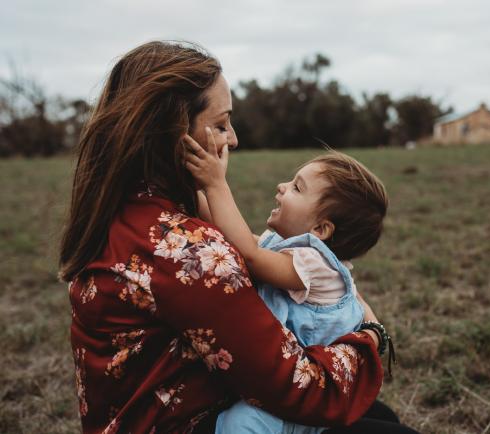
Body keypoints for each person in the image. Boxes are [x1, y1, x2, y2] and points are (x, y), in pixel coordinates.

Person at [59, 40, 416, 434]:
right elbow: (301, 390)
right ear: (175, 132)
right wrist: (369, 335)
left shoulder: (129, 212)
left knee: (380, 417)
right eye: (220, 123)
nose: (233, 139)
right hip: (193, 424)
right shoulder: (185, 253)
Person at [183, 131, 393, 433]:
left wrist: (216, 184)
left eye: (297, 188)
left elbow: (250, 254)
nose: (281, 187)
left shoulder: (315, 265)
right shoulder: (286, 247)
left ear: (321, 228)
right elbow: (230, 234)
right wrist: (196, 187)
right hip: (282, 382)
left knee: (240, 426)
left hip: (296, 402)